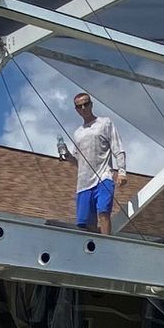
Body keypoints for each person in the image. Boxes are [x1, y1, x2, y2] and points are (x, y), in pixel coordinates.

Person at [68, 90, 127, 234]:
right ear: (76, 110)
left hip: (103, 176)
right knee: (88, 222)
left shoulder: (104, 123)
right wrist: (65, 155)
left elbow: (117, 147)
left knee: (103, 212)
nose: (83, 108)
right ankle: (97, 244)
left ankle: (106, 242)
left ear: (91, 104)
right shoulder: (77, 133)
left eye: (86, 104)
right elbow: (77, 161)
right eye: (79, 106)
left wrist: (122, 171)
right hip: (84, 182)